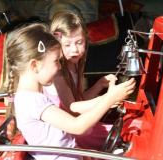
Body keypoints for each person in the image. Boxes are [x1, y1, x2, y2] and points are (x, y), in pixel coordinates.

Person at [6, 22, 136, 160]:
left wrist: (86, 156)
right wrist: (109, 98)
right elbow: (77, 126)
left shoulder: (31, 97)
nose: (60, 67)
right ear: (35, 65)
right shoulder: (32, 101)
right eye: (56, 61)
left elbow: (59, 139)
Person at [43, 12, 122, 151]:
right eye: (67, 45)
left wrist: (99, 85)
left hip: (83, 127)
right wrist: (107, 99)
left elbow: (80, 99)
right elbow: (72, 108)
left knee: (126, 134)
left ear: (86, 40)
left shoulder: (76, 64)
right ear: (56, 44)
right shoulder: (58, 74)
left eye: (79, 43)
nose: (75, 50)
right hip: (68, 134)